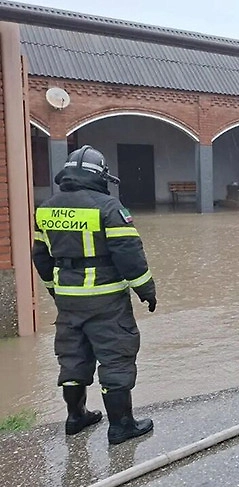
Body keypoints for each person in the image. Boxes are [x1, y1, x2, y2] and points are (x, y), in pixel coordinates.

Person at [31, 145, 157, 445]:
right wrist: (146, 290)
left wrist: (54, 289)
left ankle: (76, 417)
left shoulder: (46, 208)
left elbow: (41, 256)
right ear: (100, 175)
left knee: (73, 356)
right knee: (116, 357)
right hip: (106, 299)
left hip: (67, 299)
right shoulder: (109, 207)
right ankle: (121, 426)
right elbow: (129, 255)